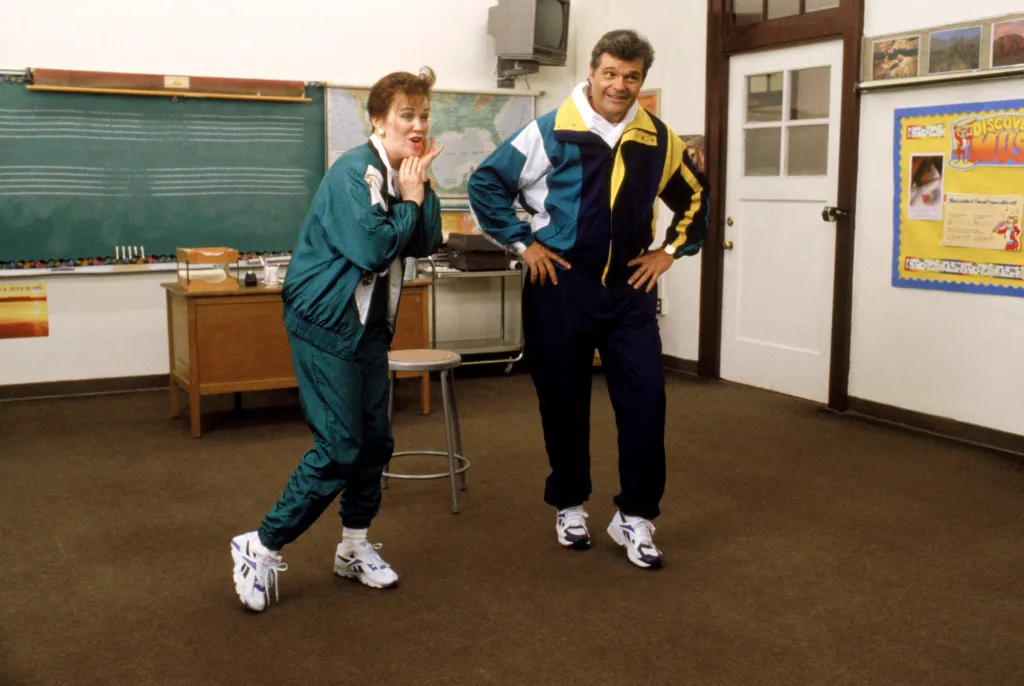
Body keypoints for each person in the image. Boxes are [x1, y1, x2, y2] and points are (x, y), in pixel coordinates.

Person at [467, 30, 709, 569]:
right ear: (593, 73)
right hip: (560, 286)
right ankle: (569, 503)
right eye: (610, 73)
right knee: (564, 401)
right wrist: (524, 244)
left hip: (628, 290)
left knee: (646, 400)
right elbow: (486, 183)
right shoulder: (553, 129)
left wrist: (670, 250)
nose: (619, 85)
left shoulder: (658, 138)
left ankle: (636, 517)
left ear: (641, 80)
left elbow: (694, 196)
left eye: (631, 77)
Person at [231, 68, 444, 611]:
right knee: (340, 445)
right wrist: (412, 199)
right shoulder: (354, 172)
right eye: (406, 115)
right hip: (324, 323)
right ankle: (261, 543)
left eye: (423, 115)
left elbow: (426, 241)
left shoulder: (403, 173)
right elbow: (374, 249)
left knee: (375, 444)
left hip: (369, 327)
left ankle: (353, 547)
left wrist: (422, 190)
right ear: (378, 120)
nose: (418, 126)